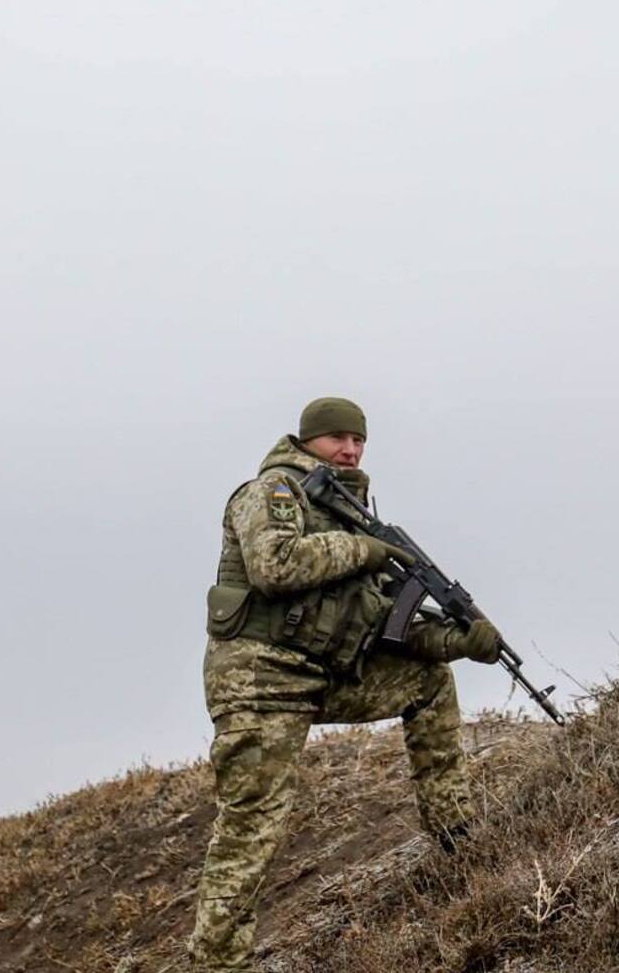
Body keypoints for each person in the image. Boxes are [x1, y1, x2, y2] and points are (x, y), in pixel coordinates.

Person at [190, 397, 500, 972]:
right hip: (260, 682)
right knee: (251, 827)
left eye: (358, 441)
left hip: (321, 674)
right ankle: (216, 963)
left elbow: (390, 626)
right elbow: (274, 566)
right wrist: (369, 550)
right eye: (337, 438)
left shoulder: (349, 513)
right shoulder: (274, 492)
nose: (350, 450)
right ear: (307, 440)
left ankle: (459, 839)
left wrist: (462, 641)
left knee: (428, 682)